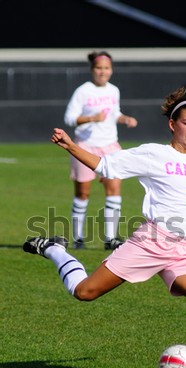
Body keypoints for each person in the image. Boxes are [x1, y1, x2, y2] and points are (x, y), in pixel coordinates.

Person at [23, 87, 186, 368]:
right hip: (152, 242)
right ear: (172, 124)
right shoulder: (153, 154)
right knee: (85, 292)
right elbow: (106, 165)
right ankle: (54, 249)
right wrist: (69, 145)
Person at [64, 50, 138, 250]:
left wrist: (124, 119)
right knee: (83, 193)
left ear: (111, 70)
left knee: (113, 190)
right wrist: (90, 118)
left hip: (110, 146)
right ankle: (78, 239)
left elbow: (114, 113)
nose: (102, 72)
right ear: (92, 69)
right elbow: (69, 118)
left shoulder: (113, 90)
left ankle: (110, 239)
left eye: (106, 68)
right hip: (85, 147)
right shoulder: (83, 91)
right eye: (98, 68)